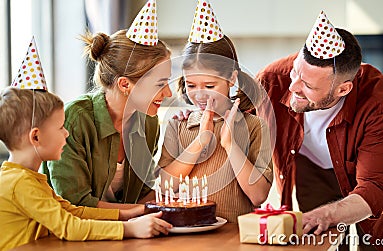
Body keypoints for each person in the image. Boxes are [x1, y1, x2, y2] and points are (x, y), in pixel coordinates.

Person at [255, 11, 383, 250]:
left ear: (343, 89)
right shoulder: (271, 80)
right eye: (295, 72)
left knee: (377, 241)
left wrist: (324, 215)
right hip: (309, 166)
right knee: (319, 240)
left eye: (308, 86)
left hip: (367, 167)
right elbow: (234, 118)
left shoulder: (379, 99)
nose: (293, 87)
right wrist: (194, 114)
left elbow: (373, 188)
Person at [0, 86, 172, 251]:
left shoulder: (27, 178)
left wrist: (130, 213)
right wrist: (129, 229)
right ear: (36, 136)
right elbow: (69, 226)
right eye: (61, 127)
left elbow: (73, 211)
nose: (67, 133)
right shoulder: (20, 183)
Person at [41, 0, 172, 211]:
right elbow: (73, 205)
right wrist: (139, 213)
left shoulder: (149, 122)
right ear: (125, 84)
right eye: (160, 84)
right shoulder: (74, 120)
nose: (168, 93)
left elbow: (143, 193)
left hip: (122, 236)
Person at [157, 0, 273, 223]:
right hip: (185, 234)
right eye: (191, 86)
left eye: (210, 86)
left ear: (231, 78)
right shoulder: (178, 125)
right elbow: (163, 187)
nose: (200, 95)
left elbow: (258, 196)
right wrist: (200, 141)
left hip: (234, 236)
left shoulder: (255, 127)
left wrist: (230, 144)